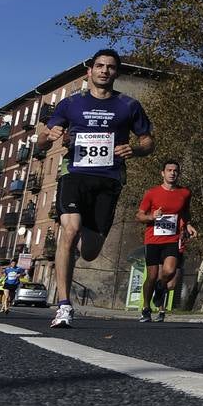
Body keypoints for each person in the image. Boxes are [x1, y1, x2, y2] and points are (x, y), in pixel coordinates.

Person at [37, 48, 153, 328]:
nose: (104, 71)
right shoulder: (70, 105)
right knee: (70, 229)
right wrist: (48, 137)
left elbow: (148, 142)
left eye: (110, 67)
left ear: (117, 73)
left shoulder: (129, 105)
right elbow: (41, 141)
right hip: (74, 174)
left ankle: (76, 245)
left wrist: (134, 149)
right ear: (90, 71)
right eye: (99, 66)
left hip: (109, 180)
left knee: (90, 252)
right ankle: (64, 306)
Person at [136, 160, 196, 322]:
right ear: (162, 173)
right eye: (169, 170)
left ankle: (160, 287)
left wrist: (189, 225)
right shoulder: (151, 193)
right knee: (152, 275)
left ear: (178, 173)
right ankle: (146, 307)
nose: (172, 173)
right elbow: (139, 215)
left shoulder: (184, 193)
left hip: (172, 238)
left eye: (175, 170)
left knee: (169, 271)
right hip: (153, 239)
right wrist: (151, 216)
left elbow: (185, 212)